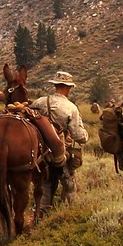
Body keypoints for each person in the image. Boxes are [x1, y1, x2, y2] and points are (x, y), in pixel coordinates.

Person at [30, 71, 88, 208]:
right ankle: (66, 214)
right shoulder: (71, 108)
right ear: (68, 87)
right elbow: (79, 136)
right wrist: (86, 135)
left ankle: (40, 216)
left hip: (41, 154)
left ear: (55, 85)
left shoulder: (39, 102)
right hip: (61, 154)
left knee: (45, 185)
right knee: (69, 186)